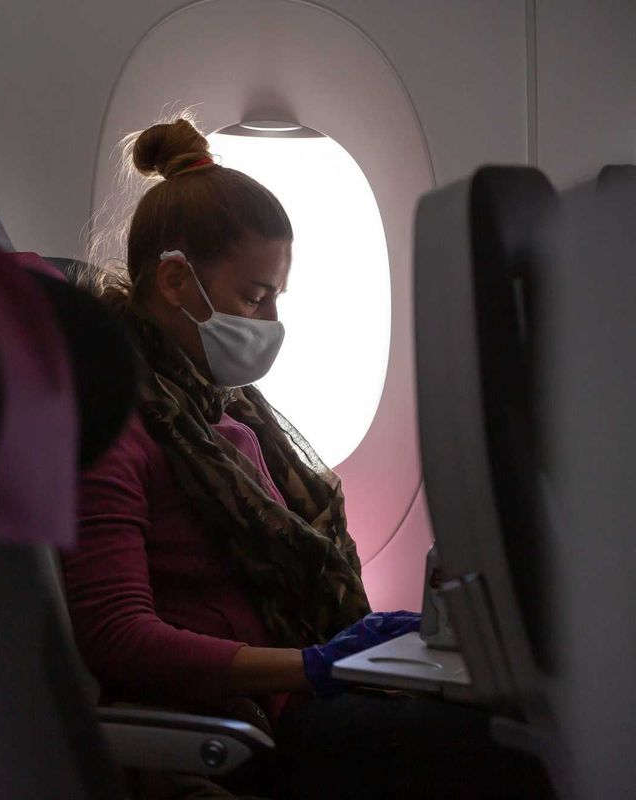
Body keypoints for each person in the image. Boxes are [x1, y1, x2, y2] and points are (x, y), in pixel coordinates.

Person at [61, 118, 552, 799]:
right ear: (175, 281)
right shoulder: (113, 426)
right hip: (246, 725)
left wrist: (375, 650)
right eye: (255, 297)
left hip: (299, 699)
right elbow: (118, 638)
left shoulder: (227, 414)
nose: (268, 324)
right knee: (516, 761)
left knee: (530, 718)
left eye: (276, 299)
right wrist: (312, 666)